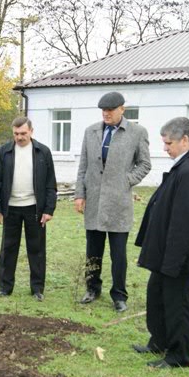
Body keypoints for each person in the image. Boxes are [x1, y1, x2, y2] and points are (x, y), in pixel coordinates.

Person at [133, 116, 189, 368]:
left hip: (181, 258)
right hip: (167, 253)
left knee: (177, 303)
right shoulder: (185, 165)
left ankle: (179, 355)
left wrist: (173, 262)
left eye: (168, 143)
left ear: (185, 140)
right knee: (157, 295)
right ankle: (159, 341)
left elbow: (185, 223)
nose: (165, 148)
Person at [74, 91, 151, 312]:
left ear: (122, 109)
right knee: (93, 250)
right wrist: (80, 194)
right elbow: (83, 166)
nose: (106, 114)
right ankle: (92, 288)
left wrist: (127, 180)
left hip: (119, 203)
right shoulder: (91, 132)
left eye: (110, 110)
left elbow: (145, 164)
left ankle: (119, 295)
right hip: (94, 201)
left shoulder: (137, 132)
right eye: (103, 110)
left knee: (118, 254)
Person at [0, 116, 57, 301]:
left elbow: (50, 184)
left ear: (31, 132)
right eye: (16, 134)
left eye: (23, 133)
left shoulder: (43, 152)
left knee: (37, 250)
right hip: (10, 208)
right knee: (8, 249)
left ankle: (37, 289)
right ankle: (5, 288)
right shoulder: (3, 152)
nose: (19, 137)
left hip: (35, 209)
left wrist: (49, 209)